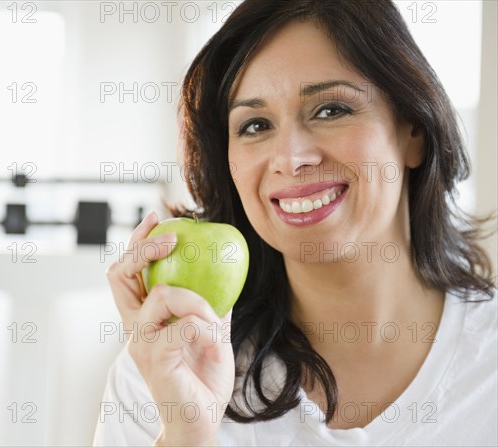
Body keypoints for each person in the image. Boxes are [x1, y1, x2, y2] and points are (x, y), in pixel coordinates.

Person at [94, 0, 497, 445]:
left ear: (413, 132)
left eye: (330, 110)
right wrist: (186, 435)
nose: (291, 159)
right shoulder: (164, 370)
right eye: (255, 125)